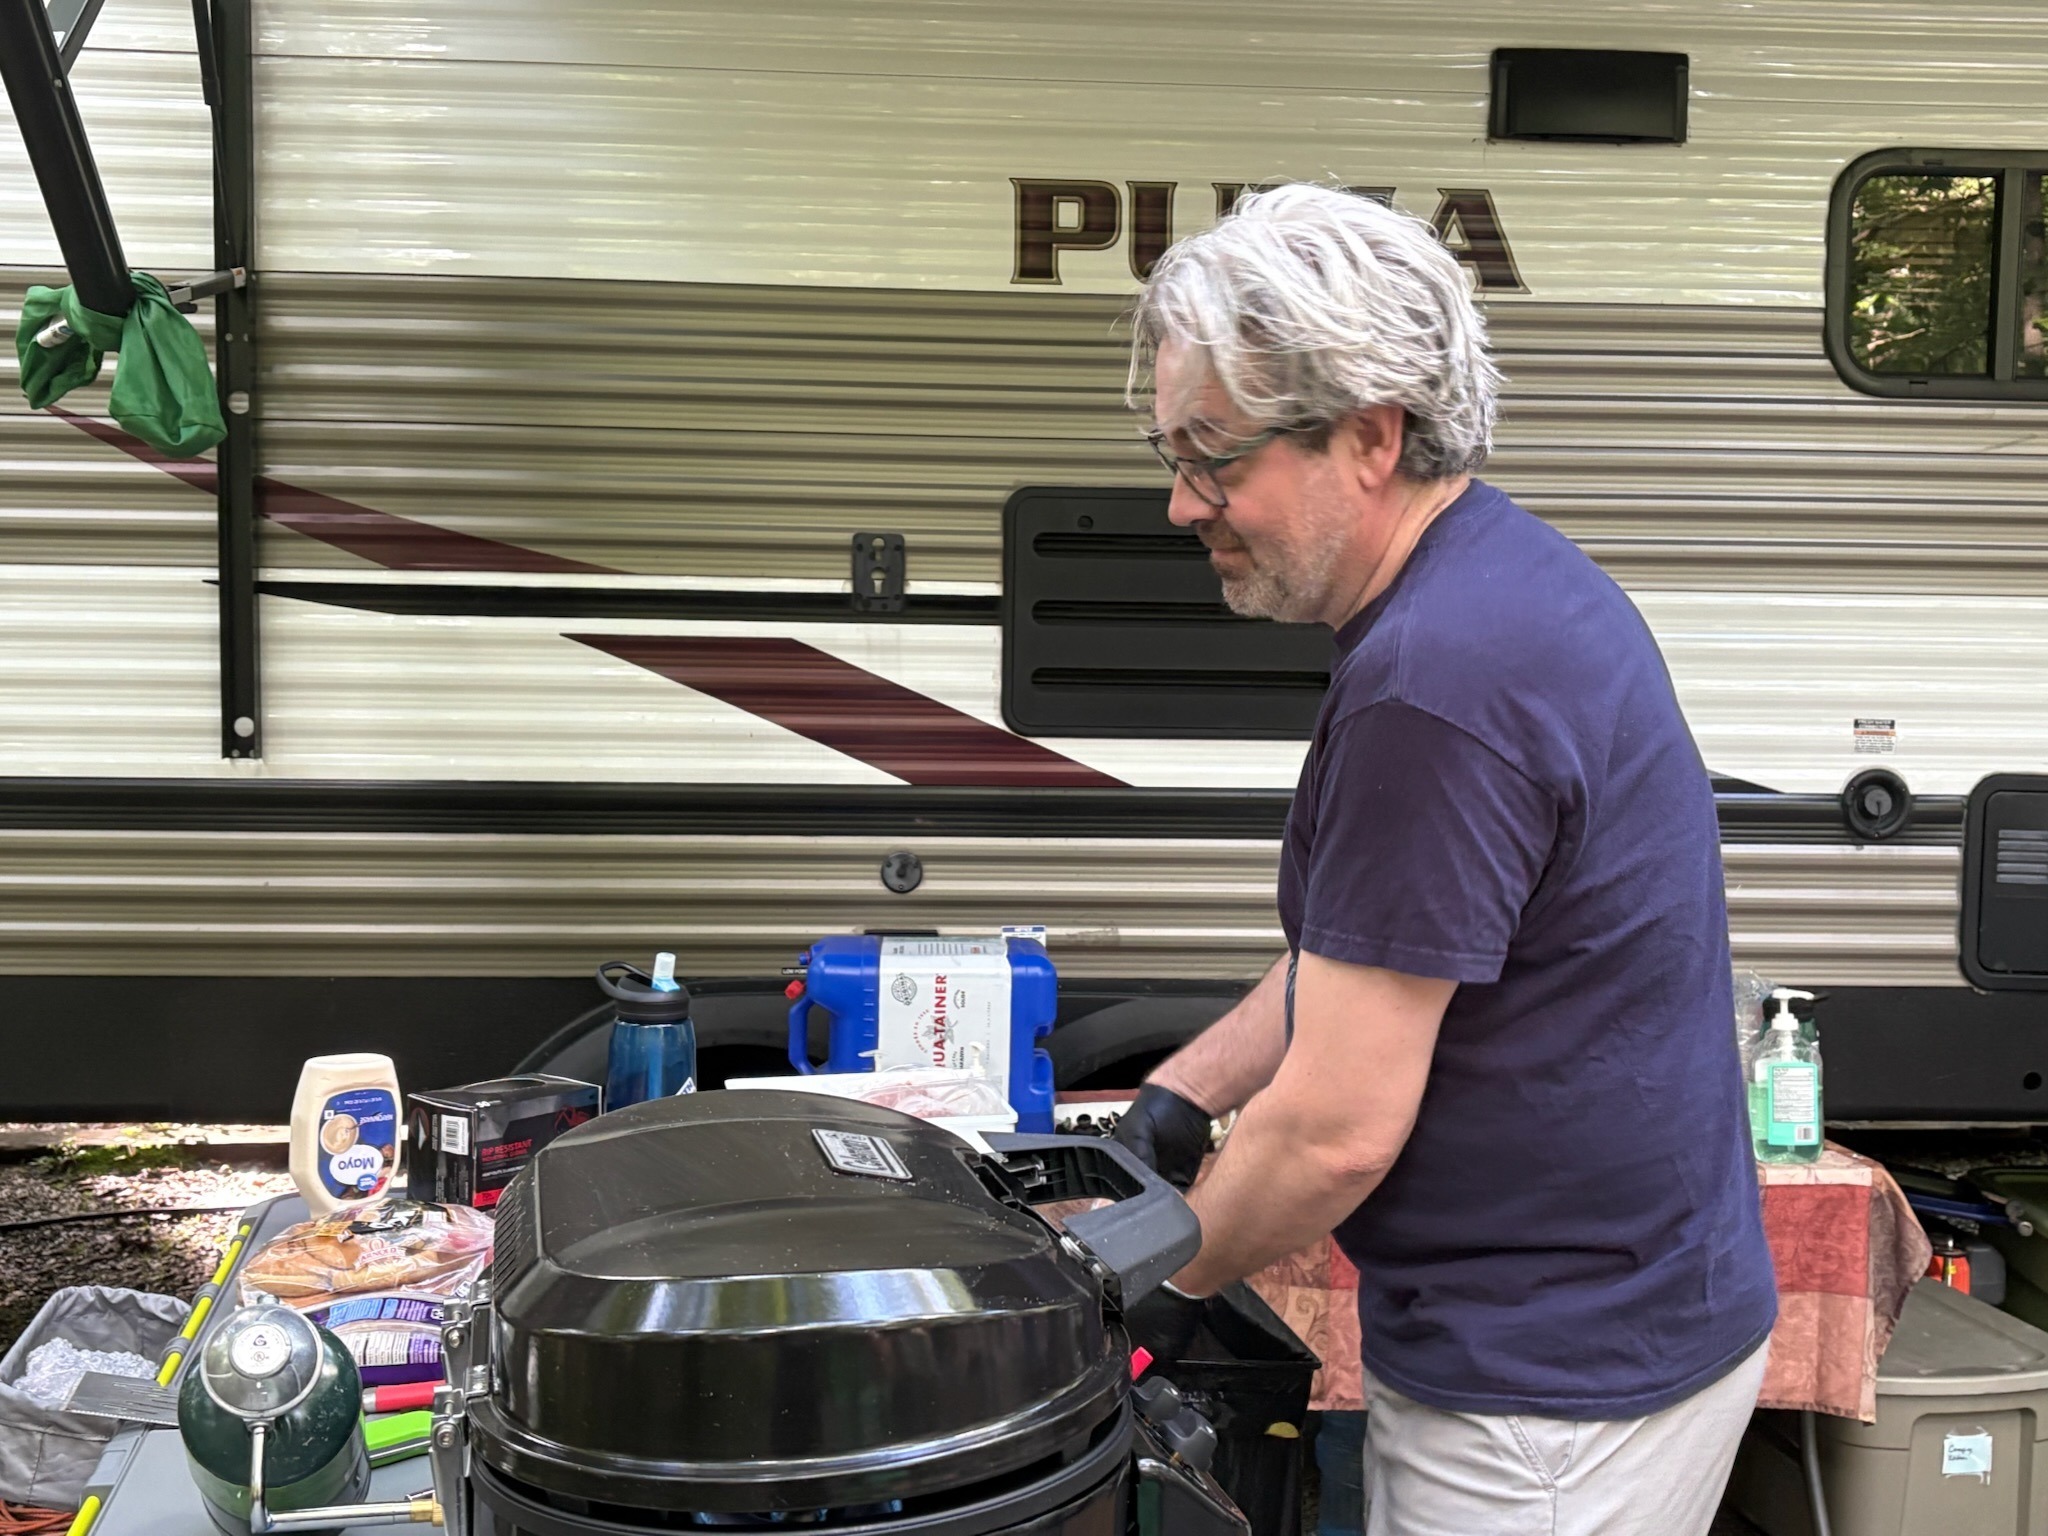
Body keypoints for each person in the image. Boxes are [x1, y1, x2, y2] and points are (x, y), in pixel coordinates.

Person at [1111, 184, 1777, 1536]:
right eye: (1173, 453)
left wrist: (1153, 1285)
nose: (1182, 504)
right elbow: (1373, 948)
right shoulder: (1492, 581)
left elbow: (1336, 1130)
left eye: (1215, 456)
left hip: (1550, 1400)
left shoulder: (1440, 677)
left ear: (1370, 435)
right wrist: (1180, 1097)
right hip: (1596, 1329)